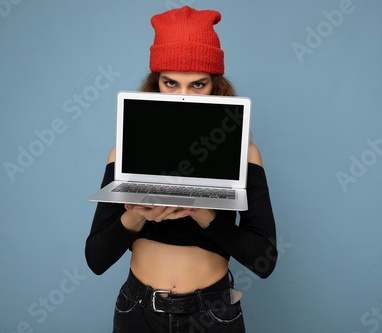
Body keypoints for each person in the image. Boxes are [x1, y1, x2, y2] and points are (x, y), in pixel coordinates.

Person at [85, 6, 277, 333]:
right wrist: (136, 215)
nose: (183, 97)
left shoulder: (245, 154)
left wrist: (203, 214)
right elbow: (96, 259)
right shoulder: (125, 152)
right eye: (171, 83)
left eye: (198, 85)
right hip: (138, 311)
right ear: (155, 84)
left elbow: (264, 260)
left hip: (212, 314)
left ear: (215, 86)